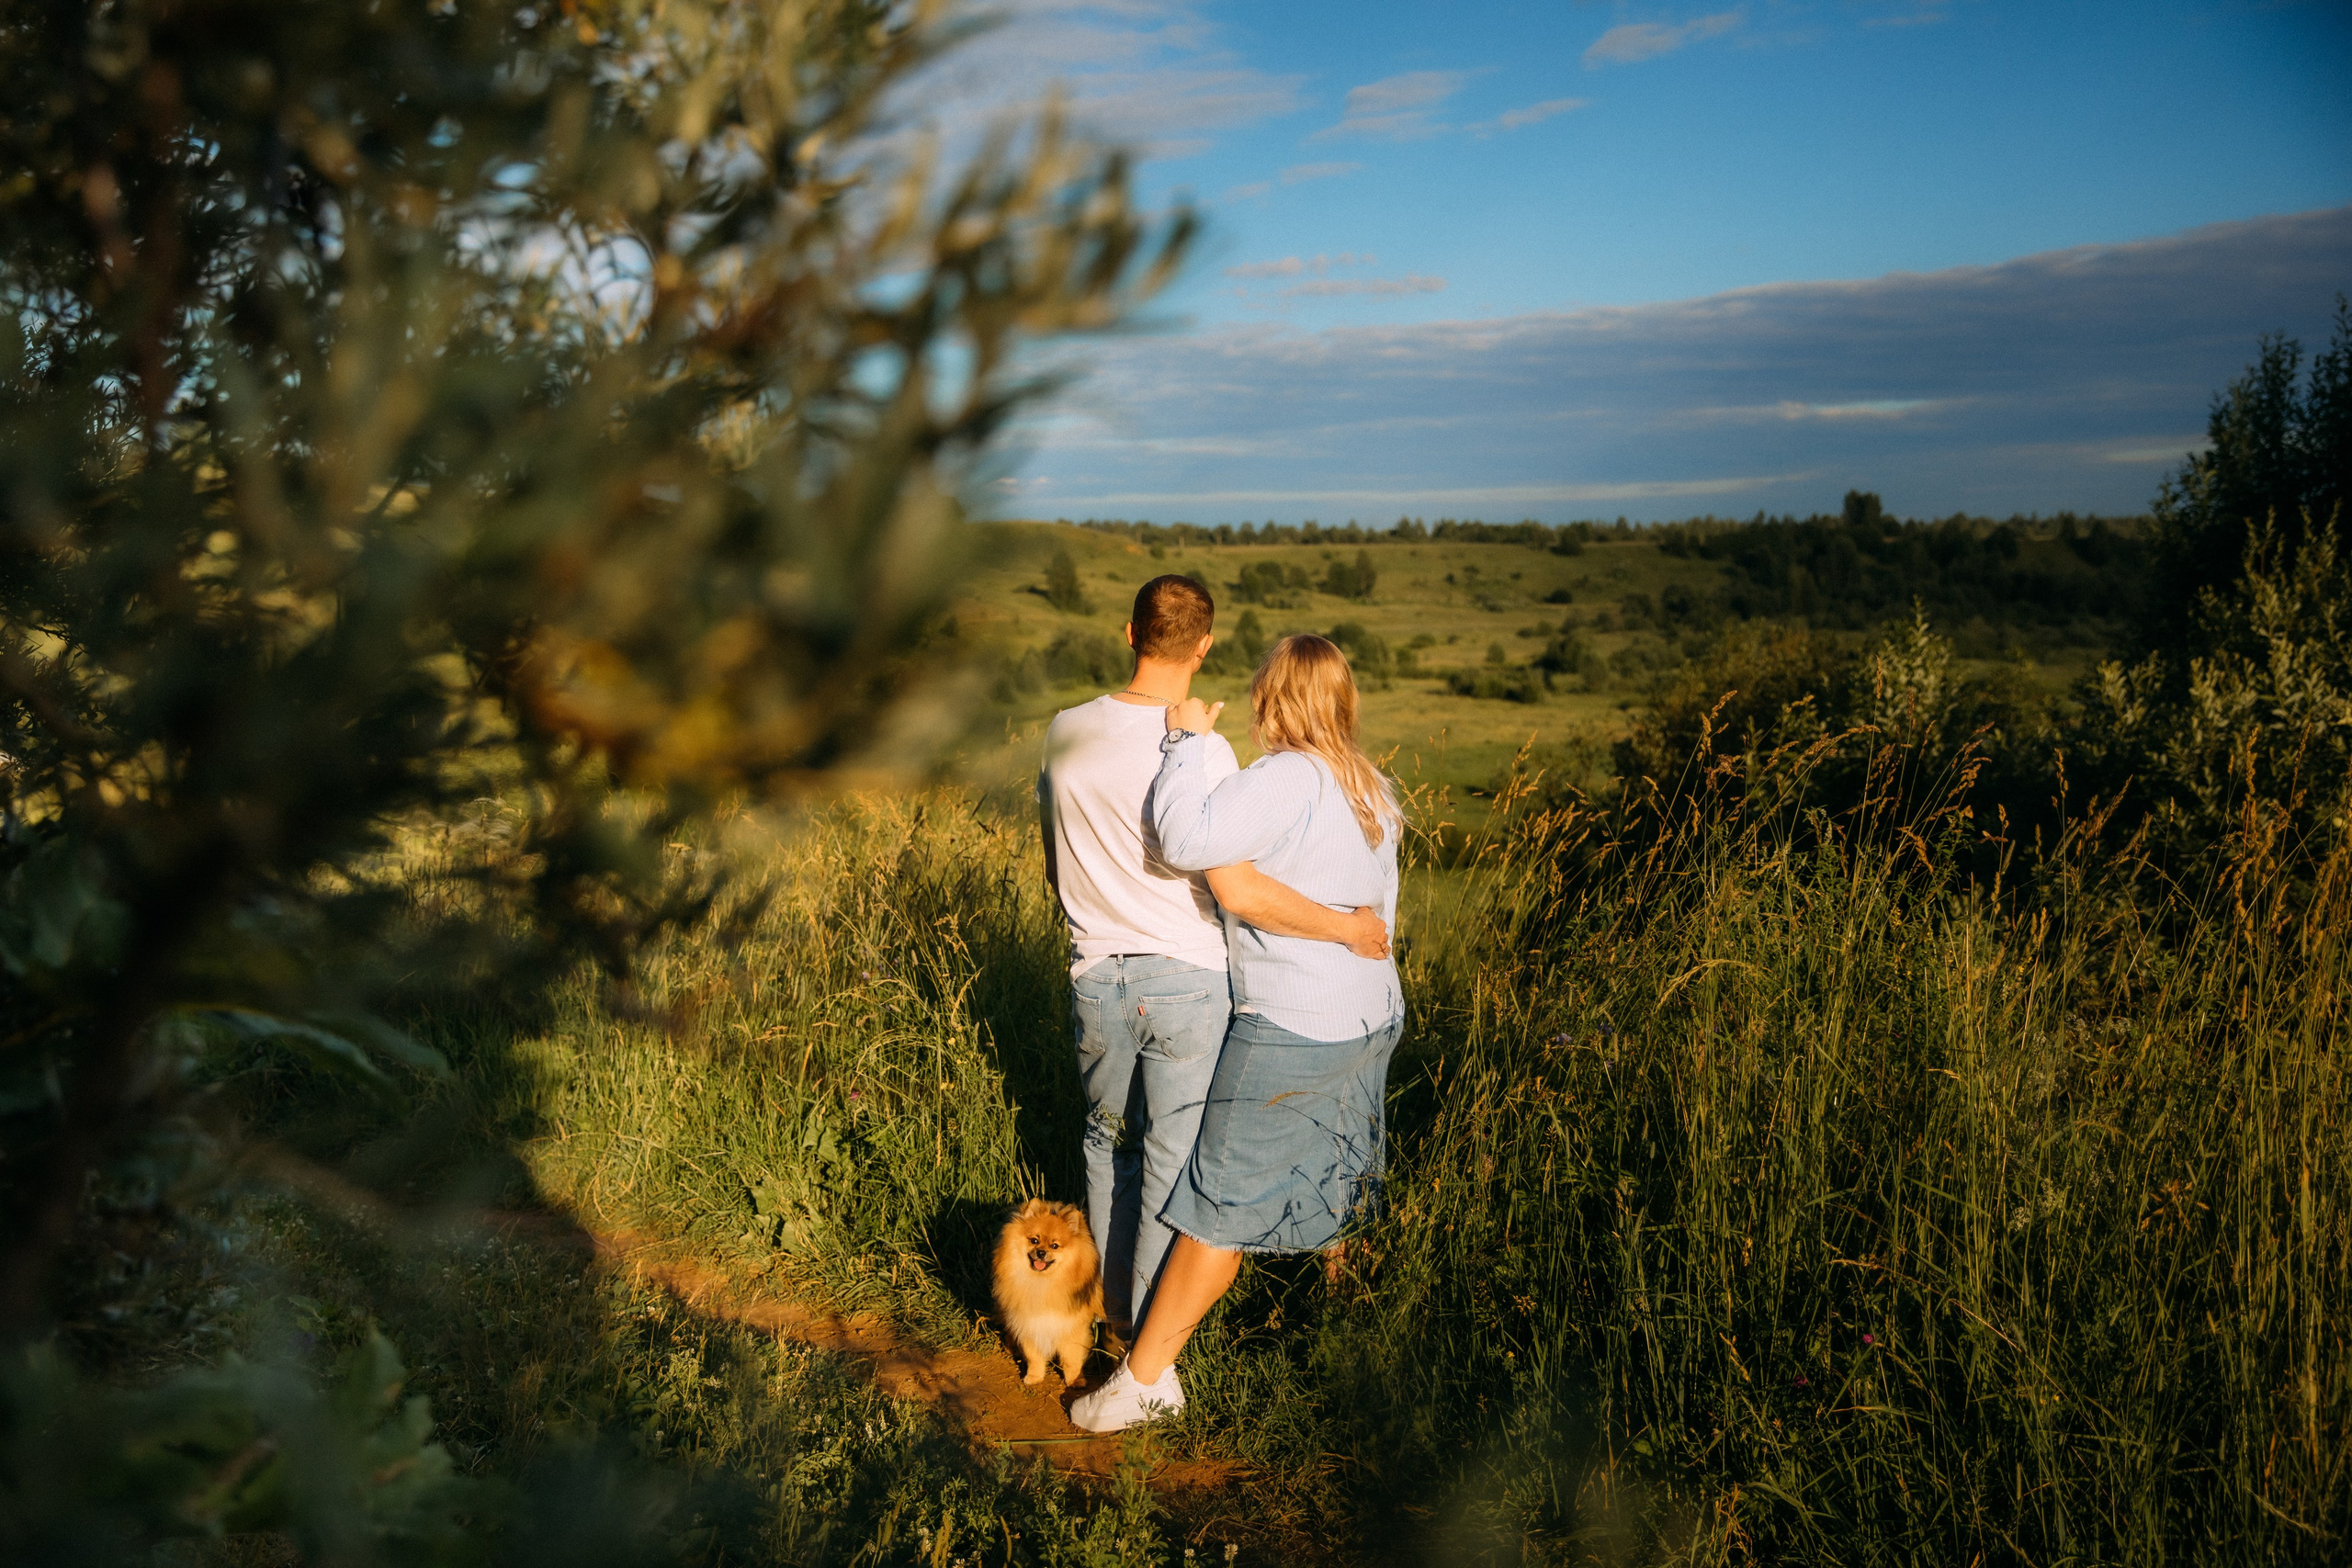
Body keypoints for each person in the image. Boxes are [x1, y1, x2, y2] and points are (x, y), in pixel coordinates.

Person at [1038, 578, 1389, 1344]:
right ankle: (1152, 1345)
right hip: (1191, 980)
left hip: (1095, 972)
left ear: (1128, 633)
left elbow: (1051, 859)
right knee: (1175, 1154)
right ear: (1204, 647)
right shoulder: (1211, 748)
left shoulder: (1065, 730)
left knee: (1106, 1144)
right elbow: (1229, 876)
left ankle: (1108, 1313)